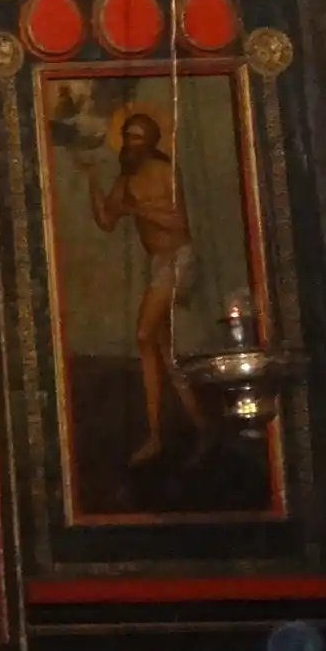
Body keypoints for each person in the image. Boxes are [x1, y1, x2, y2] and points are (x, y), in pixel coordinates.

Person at [86, 110, 214, 464]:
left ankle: (170, 433)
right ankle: (190, 429)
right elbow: (107, 220)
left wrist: (138, 210)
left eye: (138, 137)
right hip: (159, 262)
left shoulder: (163, 171)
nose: (131, 143)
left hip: (178, 258)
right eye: (127, 136)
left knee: (144, 336)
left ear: (151, 142)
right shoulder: (126, 179)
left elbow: (178, 223)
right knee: (162, 350)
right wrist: (93, 181)